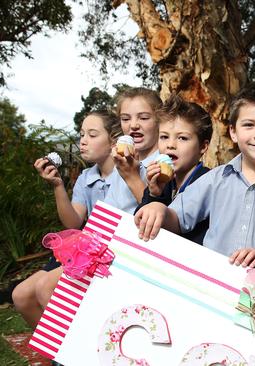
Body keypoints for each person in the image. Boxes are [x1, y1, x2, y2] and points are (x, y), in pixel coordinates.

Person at [135, 82, 255, 287]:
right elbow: (178, 218)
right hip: (215, 282)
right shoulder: (216, 178)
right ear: (233, 133)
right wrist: (159, 207)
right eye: (249, 124)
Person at [12, 110, 121, 328]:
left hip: (109, 250)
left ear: (113, 141)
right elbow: (73, 222)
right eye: (82, 135)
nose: (83, 141)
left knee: (45, 287)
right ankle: (56, 355)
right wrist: (58, 186)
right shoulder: (86, 177)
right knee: (21, 295)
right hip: (81, 247)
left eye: (92, 135)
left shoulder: (127, 173)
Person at [135, 95, 212, 244]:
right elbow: (140, 224)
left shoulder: (209, 183)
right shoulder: (162, 181)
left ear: (203, 146)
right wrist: (154, 195)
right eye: (164, 137)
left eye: (182, 138)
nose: (170, 145)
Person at [105, 87, 162, 213]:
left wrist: (131, 176)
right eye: (125, 119)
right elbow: (108, 210)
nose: (134, 125)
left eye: (144, 118)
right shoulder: (120, 163)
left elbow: (160, 218)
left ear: (159, 121)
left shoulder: (164, 164)